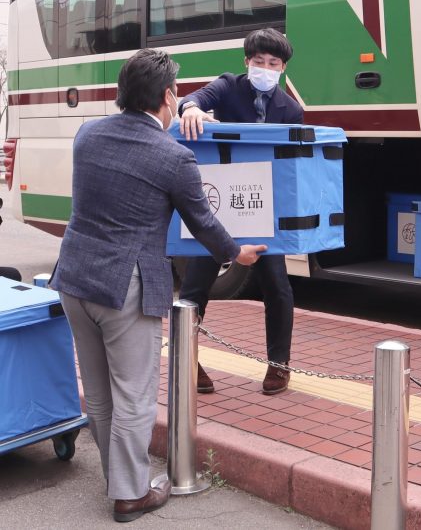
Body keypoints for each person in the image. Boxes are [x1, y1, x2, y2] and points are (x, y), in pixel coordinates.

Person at [50, 49, 266, 522]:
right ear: (168, 97)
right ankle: (130, 495)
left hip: (75, 278)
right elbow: (203, 222)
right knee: (133, 393)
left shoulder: (87, 134)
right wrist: (237, 253)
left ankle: (119, 476)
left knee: (102, 392)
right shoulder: (173, 155)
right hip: (125, 286)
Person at [177, 28, 304, 396]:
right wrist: (193, 110)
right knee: (196, 285)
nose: (265, 68)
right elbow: (195, 98)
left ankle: (279, 365)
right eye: (259, 61)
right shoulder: (229, 86)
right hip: (219, 210)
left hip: (263, 212)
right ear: (247, 61)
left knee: (277, 285)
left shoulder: (290, 109)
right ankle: (189, 357)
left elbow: (291, 166)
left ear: (282, 67)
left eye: (273, 63)